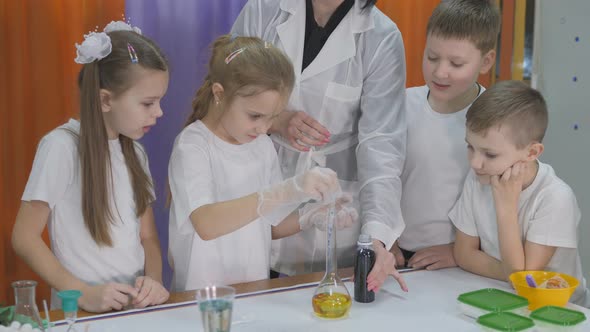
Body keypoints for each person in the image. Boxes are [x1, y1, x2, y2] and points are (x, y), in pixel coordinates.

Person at [232, 0, 407, 293]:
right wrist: (275, 120)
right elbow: (226, 91)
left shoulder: (382, 37)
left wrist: (377, 236)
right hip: (256, 185)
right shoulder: (264, 8)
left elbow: (382, 145)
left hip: (332, 206)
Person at [167, 35, 355, 292]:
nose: (265, 127)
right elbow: (206, 224)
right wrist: (285, 191)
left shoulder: (262, 145)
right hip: (200, 296)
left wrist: (309, 216)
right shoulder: (193, 145)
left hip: (252, 290)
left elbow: (271, 225)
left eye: (273, 117)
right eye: (255, 115)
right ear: (219, 94)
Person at [12, 21, 170, 312]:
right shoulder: (61, 147)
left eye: (159, 101)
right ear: (105, 99)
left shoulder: (136, 152)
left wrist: (154, 280)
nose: (159, 112)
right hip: (81, 313)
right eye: (148, 103)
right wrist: (83, 293)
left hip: (133, 310)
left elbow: (147, 237)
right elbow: (24, 236)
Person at [450, 80, 589, 307]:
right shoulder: (479, 177)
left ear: (532, 152)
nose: (475, 162)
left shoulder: (555, 197)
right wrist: (510, 272)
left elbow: (523, 279)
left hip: (562, 312)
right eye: (470, 147)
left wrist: (506, 206)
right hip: (504, 298)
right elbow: (464, 254)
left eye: (490, 154)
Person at [393, 0, 500, 271]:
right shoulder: (401, 105)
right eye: (432, 57)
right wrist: (383, 237)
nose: (440, 72)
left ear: (486, 61)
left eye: (456, 63)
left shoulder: (498, 121)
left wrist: (458, 252)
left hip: (461, 262)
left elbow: (501, 203)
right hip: (396, 255)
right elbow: (379, 178)